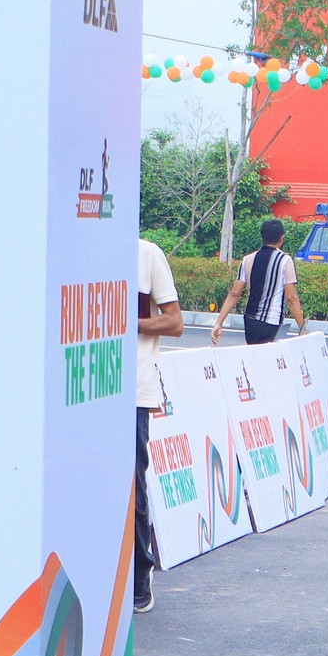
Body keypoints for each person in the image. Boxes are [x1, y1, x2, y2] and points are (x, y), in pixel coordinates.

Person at [133, 237, 182, 613]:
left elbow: (175, 322)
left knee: (132, 488)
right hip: (82, 391)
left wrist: (127, 325)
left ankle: (139, 575)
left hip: (133, 392)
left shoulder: (147, 254)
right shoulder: (78, 251)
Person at [217, 217, 306, 345]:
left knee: (254, 354)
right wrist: (302, 328)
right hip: (271, 322)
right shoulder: (285, 261)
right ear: (281, 238)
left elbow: (234, 293)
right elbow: (291, 298)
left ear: (262, 237)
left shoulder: (247, 259)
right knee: (268, 356)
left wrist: (218, 323)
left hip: (250, 321)